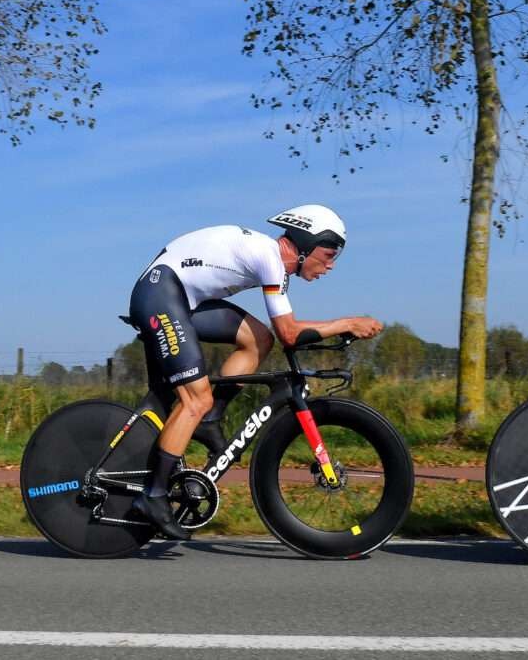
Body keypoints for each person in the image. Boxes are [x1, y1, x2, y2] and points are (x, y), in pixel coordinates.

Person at [127, 204, 384, 539]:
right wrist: (347, 323)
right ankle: (154, 495)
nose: (331, 265)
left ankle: (209, 419)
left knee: (259, 340)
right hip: (160, 294)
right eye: (329, 254)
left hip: (181, 297)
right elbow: (290, 334)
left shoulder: (272, 263)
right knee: (195, 399)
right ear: (305, 244)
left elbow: (279, 337)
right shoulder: (270, 259)